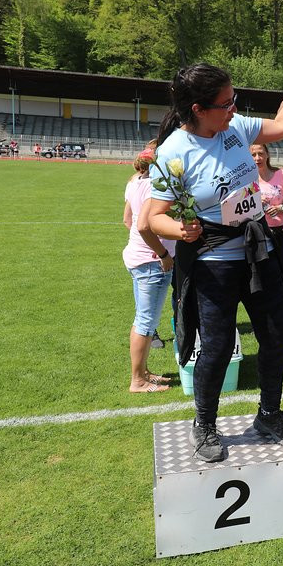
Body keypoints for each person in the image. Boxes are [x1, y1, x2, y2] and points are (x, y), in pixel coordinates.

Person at [145, 58, 283, 462]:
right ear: (198, 109)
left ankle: (268, 414)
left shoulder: (235, 128)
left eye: (235, 99)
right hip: (213, 260)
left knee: (273, 336)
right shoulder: (174, 151)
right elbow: (154, 216)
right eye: (225, 102)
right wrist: (182, 231)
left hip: (257, 250)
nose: (234, 108)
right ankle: (205, 424)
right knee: (215, 346)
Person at [123, 140, 176, 394]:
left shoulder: (134, 181)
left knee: (143, 319)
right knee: (146, 322)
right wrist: (163, 252)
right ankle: (138, 380)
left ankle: (143, 373)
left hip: (138, 258)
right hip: (152, 262)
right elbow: (144, 225)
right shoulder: (154, 186)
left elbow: (128, 220)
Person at [251, 142, 283, 334]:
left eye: (260, 154)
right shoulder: (248, 179)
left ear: (267, 154)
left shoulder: (281, 175)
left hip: (280, 232)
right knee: (260, 278)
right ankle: (267, 318)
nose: (257, 158)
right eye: (254, 155)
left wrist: (280, 207)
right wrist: (256, 200)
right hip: (258, 235)